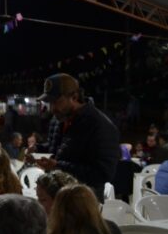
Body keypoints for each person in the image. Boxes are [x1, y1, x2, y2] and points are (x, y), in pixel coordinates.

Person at [33, 73, 119, 202]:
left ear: (74, 97)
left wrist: (58, 166)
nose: (52, 109)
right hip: (57, 198)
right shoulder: (58, 119)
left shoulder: (100, 125)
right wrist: (37, 150)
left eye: (56, 102)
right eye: (49, 103)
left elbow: (103, 173)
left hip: (83, 203)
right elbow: (58, 148)